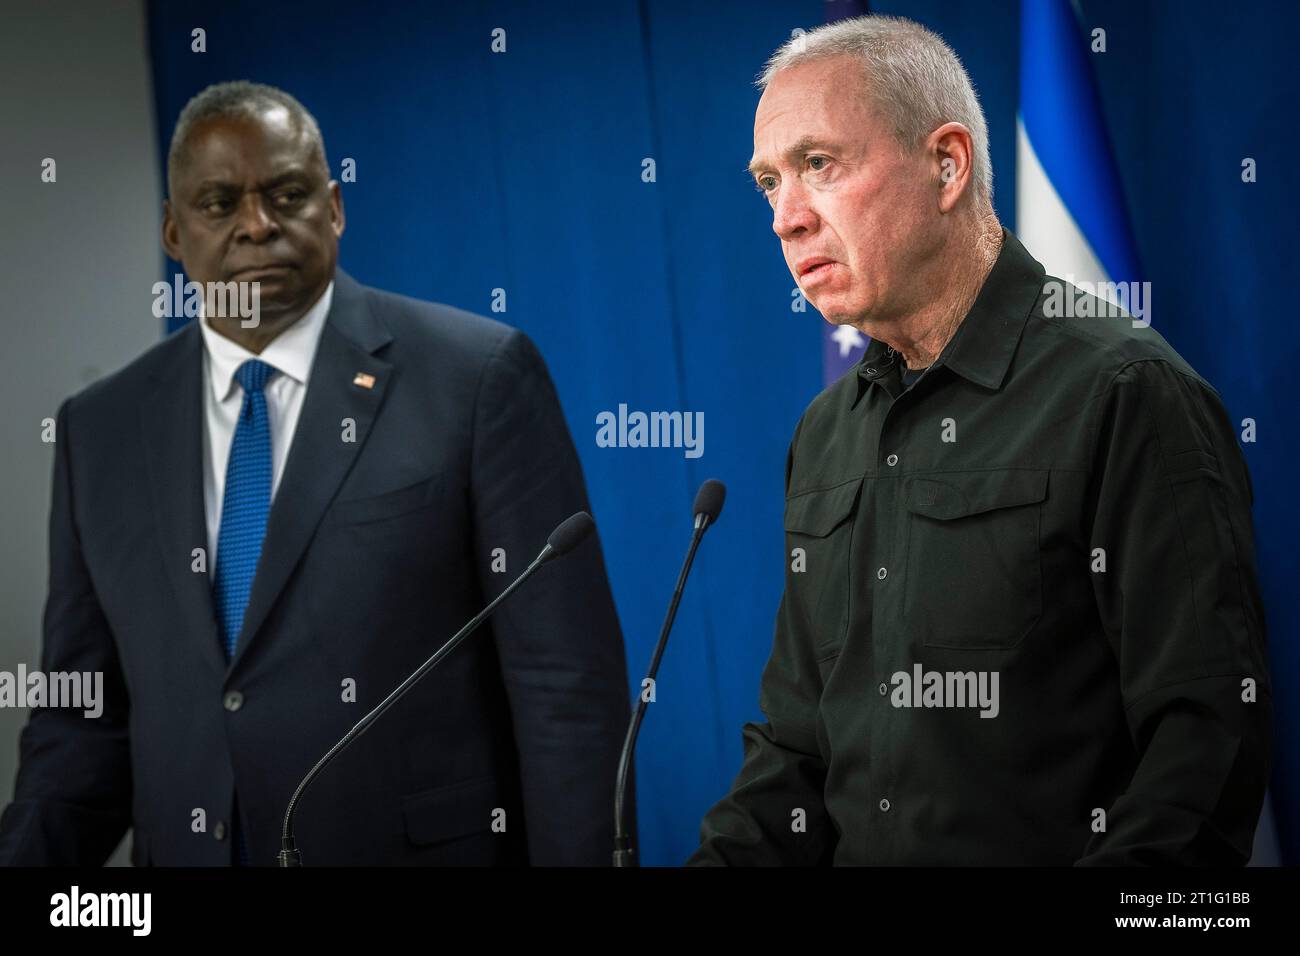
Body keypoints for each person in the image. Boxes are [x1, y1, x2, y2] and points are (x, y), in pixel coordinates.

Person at [0, 81, 631, 866]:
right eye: (219, 204)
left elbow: (565, 690)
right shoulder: (100, 429)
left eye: (287, 195)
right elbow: (81, 723)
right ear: (173, 229)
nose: (257, 227)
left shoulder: (478, 378)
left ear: (333, 207)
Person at [689, 15, 1271, 865]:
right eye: (769, 183)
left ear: (947, 164)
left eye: (818, 165)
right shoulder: (824, 434)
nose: (786, 217)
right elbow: (797, 748)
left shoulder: (1125, 393)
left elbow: (1205, 756)